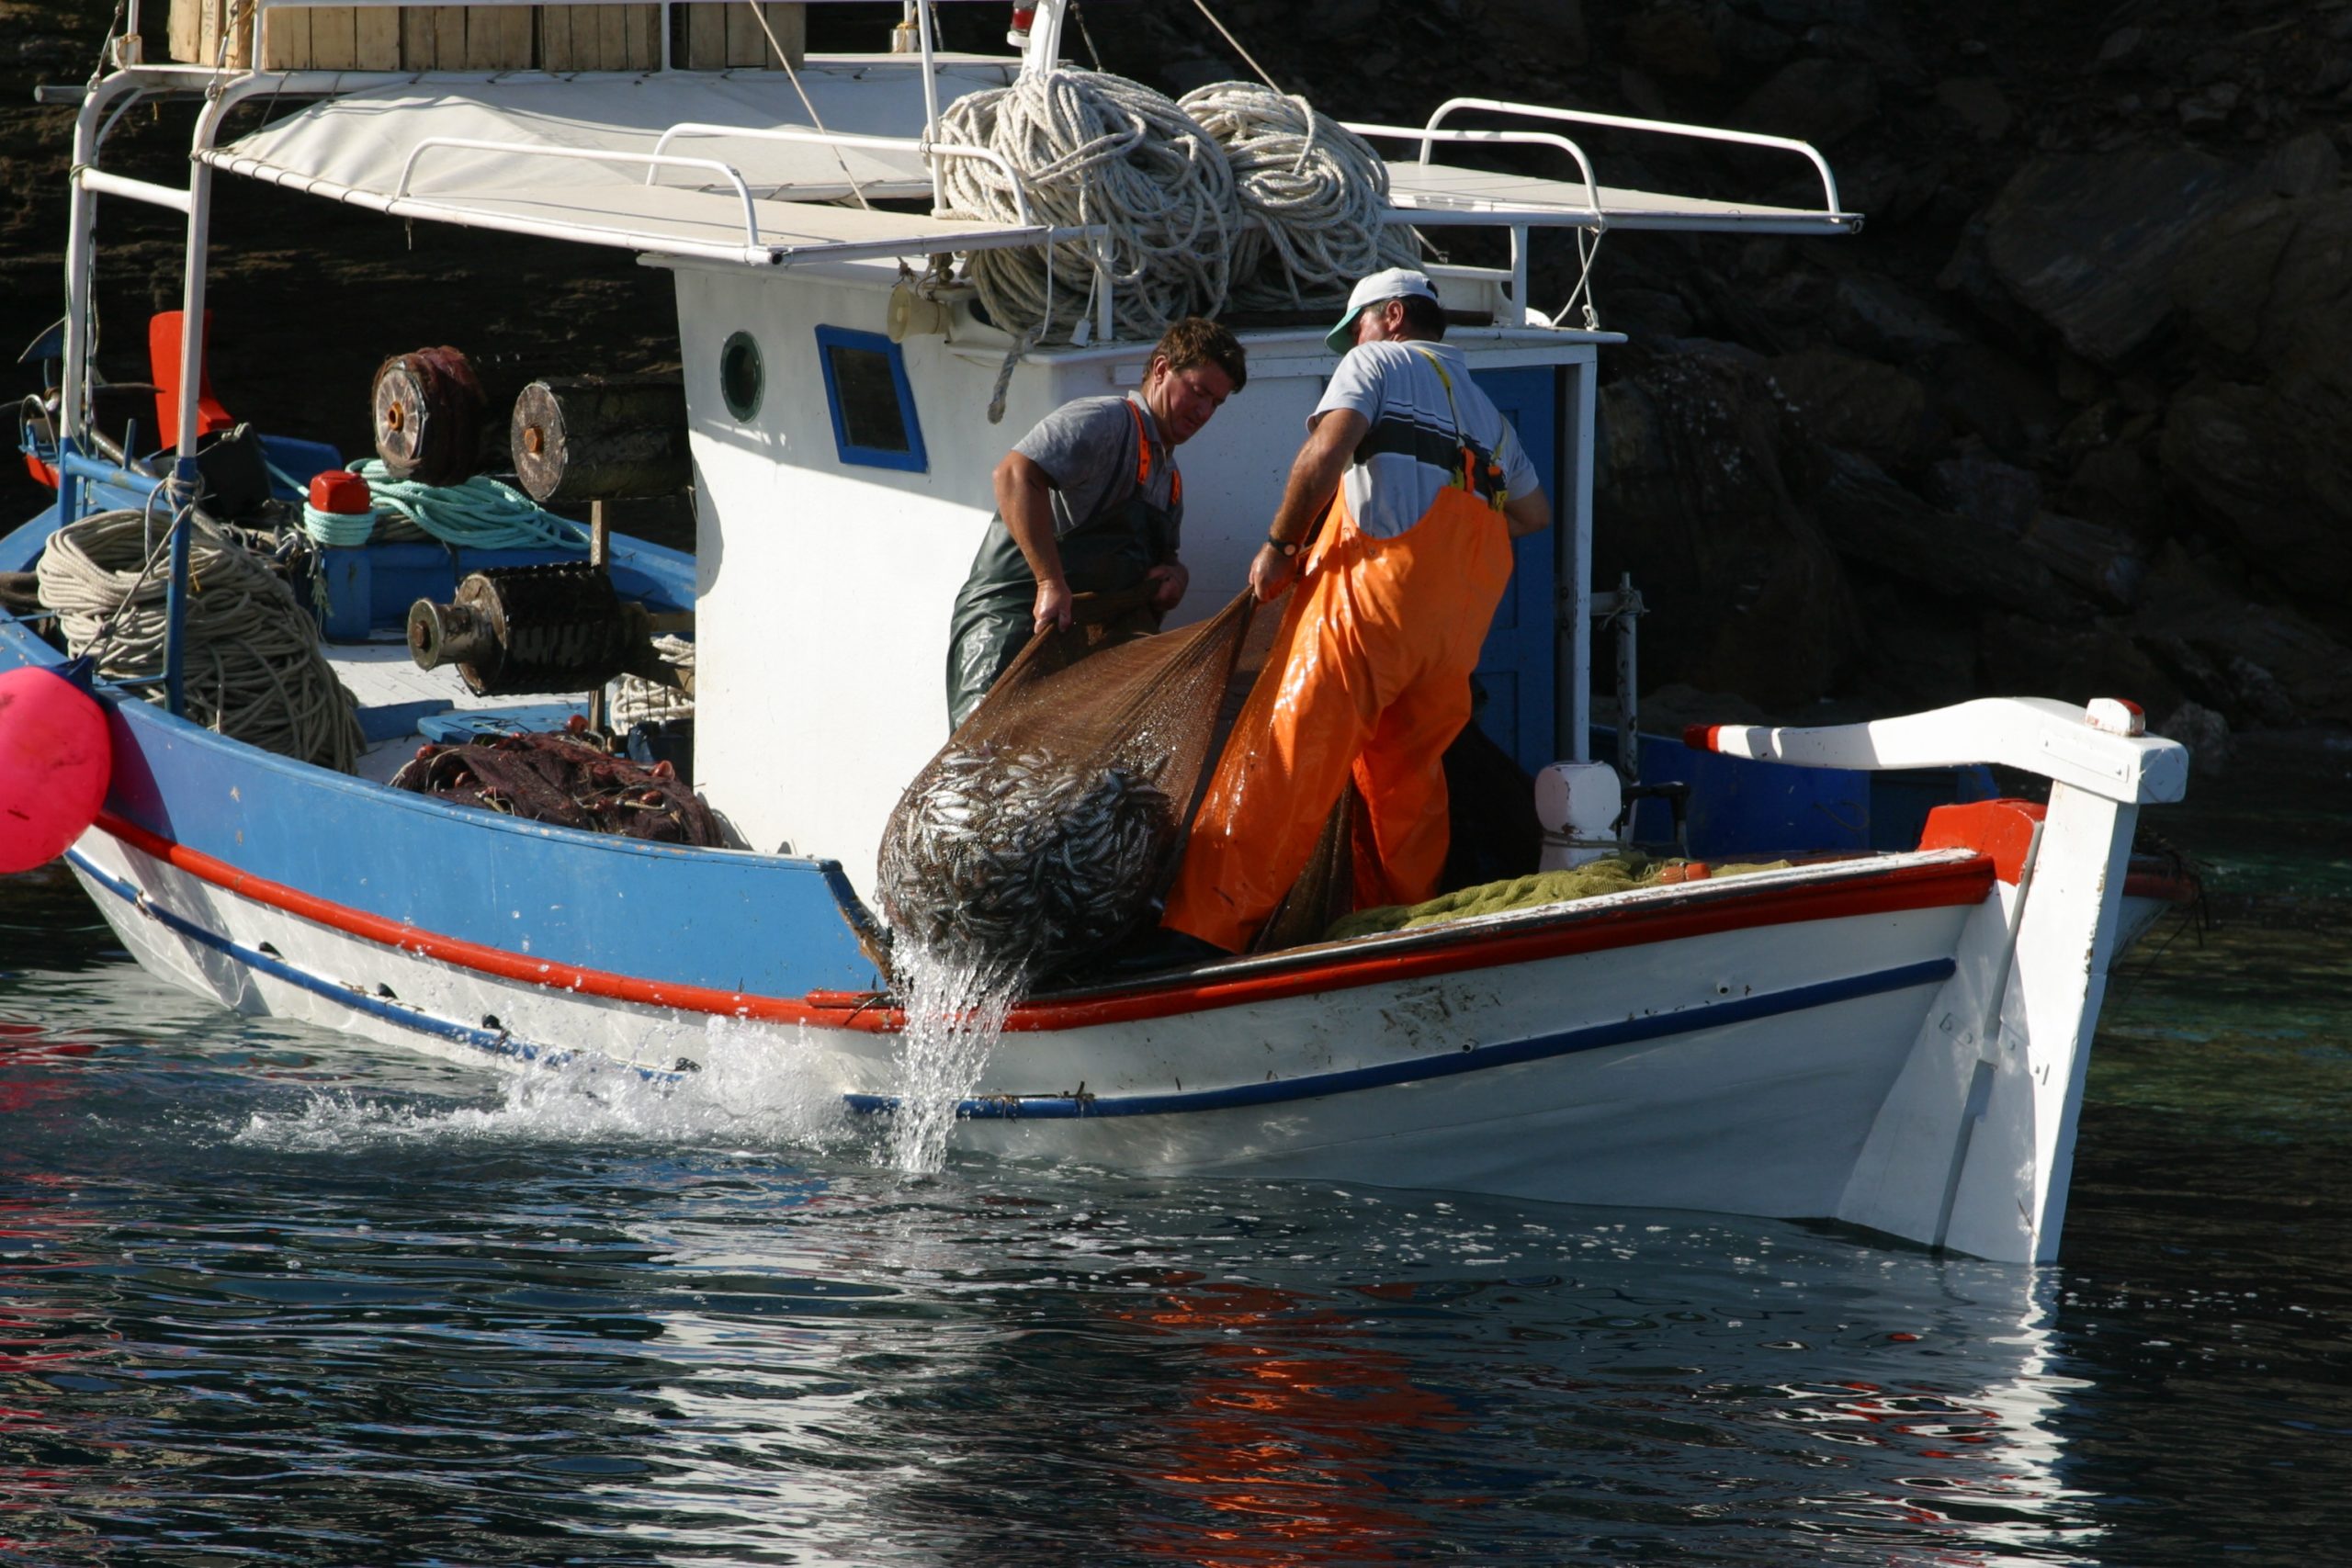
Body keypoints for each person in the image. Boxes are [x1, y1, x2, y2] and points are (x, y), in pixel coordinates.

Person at [1159, 268, 1553, 955]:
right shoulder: (1490, 419)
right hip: (1450, 640)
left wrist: (1282, 545)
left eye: (1357, 328)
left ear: (1392, 317)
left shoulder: (1377, 364)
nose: (1352, 345)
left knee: (1286, 760)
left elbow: (1325, 453)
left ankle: (1206, 932)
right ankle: (1397, 926)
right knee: (1408, 791)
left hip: (1369, 611)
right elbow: (1533, 514)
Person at [944, 317, 1247, 729]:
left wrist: (1176, 576)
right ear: (1161, 369)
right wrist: (1049, 582)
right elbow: (1013, 475)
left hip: (1072, 641)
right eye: (1198, 392)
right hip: (1007, 627)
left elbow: (1163, 561)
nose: (1204, 411)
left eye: (1216, 403)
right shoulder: (1105, 420)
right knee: (982, 752)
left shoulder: (1169, 480)